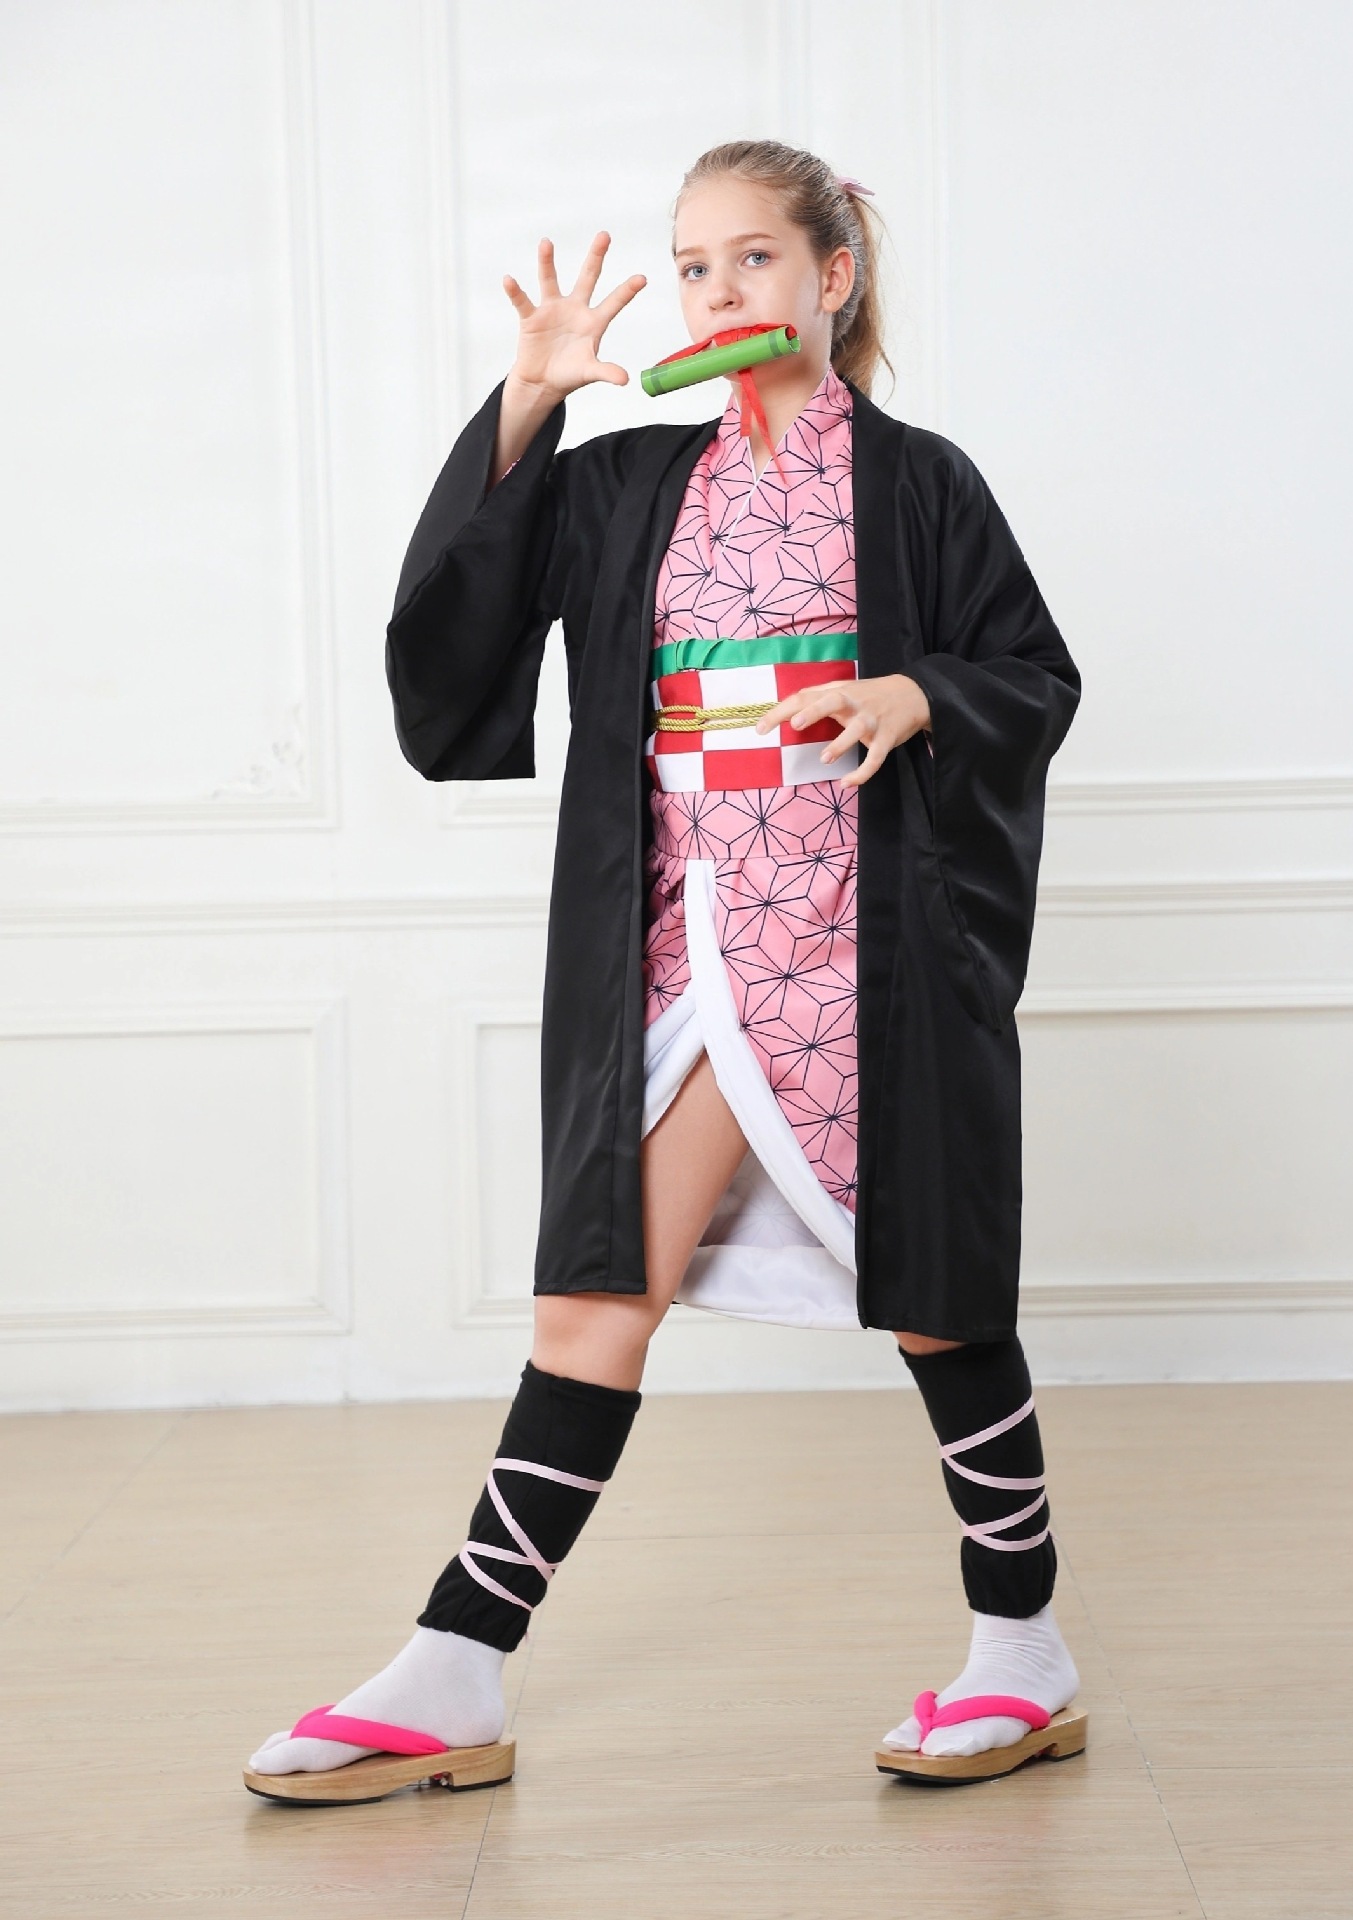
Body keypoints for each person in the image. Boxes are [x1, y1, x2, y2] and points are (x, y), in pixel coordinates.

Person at [244, 139, 1083, 1801]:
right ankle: (454, 1669)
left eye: (753, 258)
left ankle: (1024, 1651)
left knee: (936, 1305)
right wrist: (526, 405)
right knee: (593, 1294)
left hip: (859, 940)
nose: (717, 293)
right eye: (693, 267)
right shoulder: (625, 482)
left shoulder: (921, 482)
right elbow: (456, 636)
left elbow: (1034, 672)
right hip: (684, 932)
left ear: (832, 276)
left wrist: (919, 694)